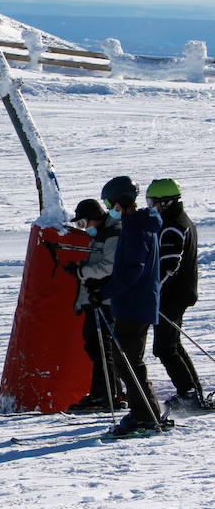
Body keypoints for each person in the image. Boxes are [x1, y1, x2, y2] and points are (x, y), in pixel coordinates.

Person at [99, 176, 165, 435]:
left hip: (135, 304)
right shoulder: (135, 224)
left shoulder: (138, 228)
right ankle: (144, 412)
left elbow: (132, 272)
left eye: (109, 203)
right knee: (126, 359)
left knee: (127, 360)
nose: (107, 209)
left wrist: (104, 290)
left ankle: (146, 415)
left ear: (121, 201)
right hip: (133, 302)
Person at [146, 178, 204, 410]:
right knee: (172, 344)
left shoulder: (172, 226)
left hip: (172, 295)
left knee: (164, 347)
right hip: (179, 292)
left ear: (166, 203)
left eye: (154, 203)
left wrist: (154, 293)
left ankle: (188, 394)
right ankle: (192, 391)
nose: (151, 207)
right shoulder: (181, 220)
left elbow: (170, 266)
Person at [63, 198, 124, 413]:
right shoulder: (102, 232)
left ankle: (105, 394)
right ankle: (111, 391)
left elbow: (108, 266)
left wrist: (81, 273)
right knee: (95, 345)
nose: (83, 227)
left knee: (101, 346)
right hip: (95, 297)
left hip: (105, 299)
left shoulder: (113, 233)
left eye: (83, 222)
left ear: (94, 217)